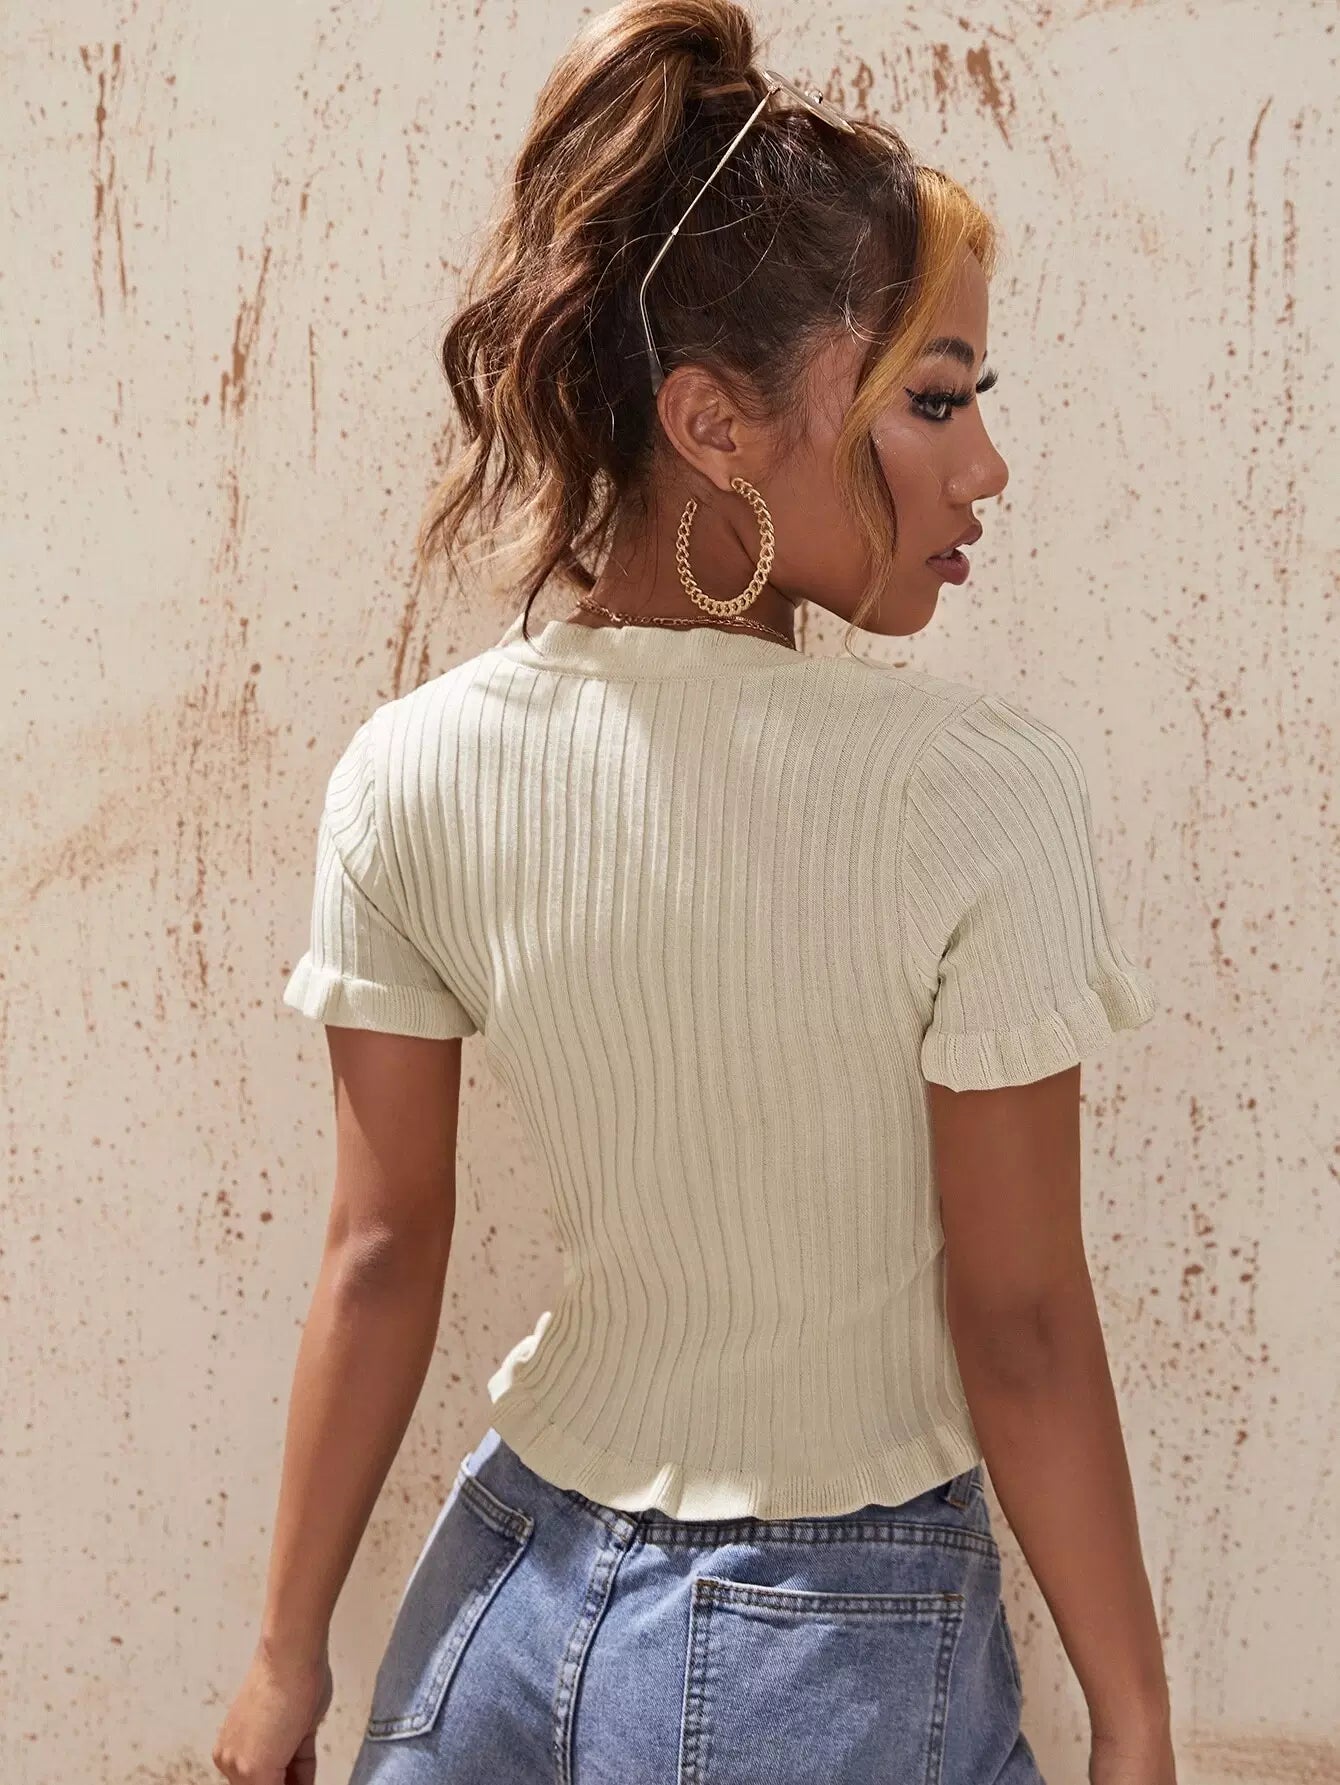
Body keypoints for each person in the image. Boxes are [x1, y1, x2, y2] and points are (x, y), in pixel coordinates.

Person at [213, 3, 1178, 1782]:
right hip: (830, 1639)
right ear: (715, 425)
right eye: (934, 399)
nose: (985, 464)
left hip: (490, 1612)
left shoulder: (409, 770)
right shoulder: (974, 792)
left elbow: (379, 1249)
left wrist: (283, 1659)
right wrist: (1136, 1718)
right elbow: (1023, 1323)